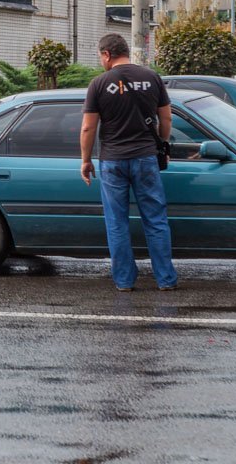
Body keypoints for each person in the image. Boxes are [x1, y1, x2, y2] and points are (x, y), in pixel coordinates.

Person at [79, 33, 178, 292]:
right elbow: (166, 120)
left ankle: (124, 281)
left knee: (117, 222)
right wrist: (162, 144)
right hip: (146, 158)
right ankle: (165, 279)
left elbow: (88, 128)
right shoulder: (152, 78)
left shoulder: (99, 84)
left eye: (100, 56)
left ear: (107, 54)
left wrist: (86, 160)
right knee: (155, 219)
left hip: (113, 161)